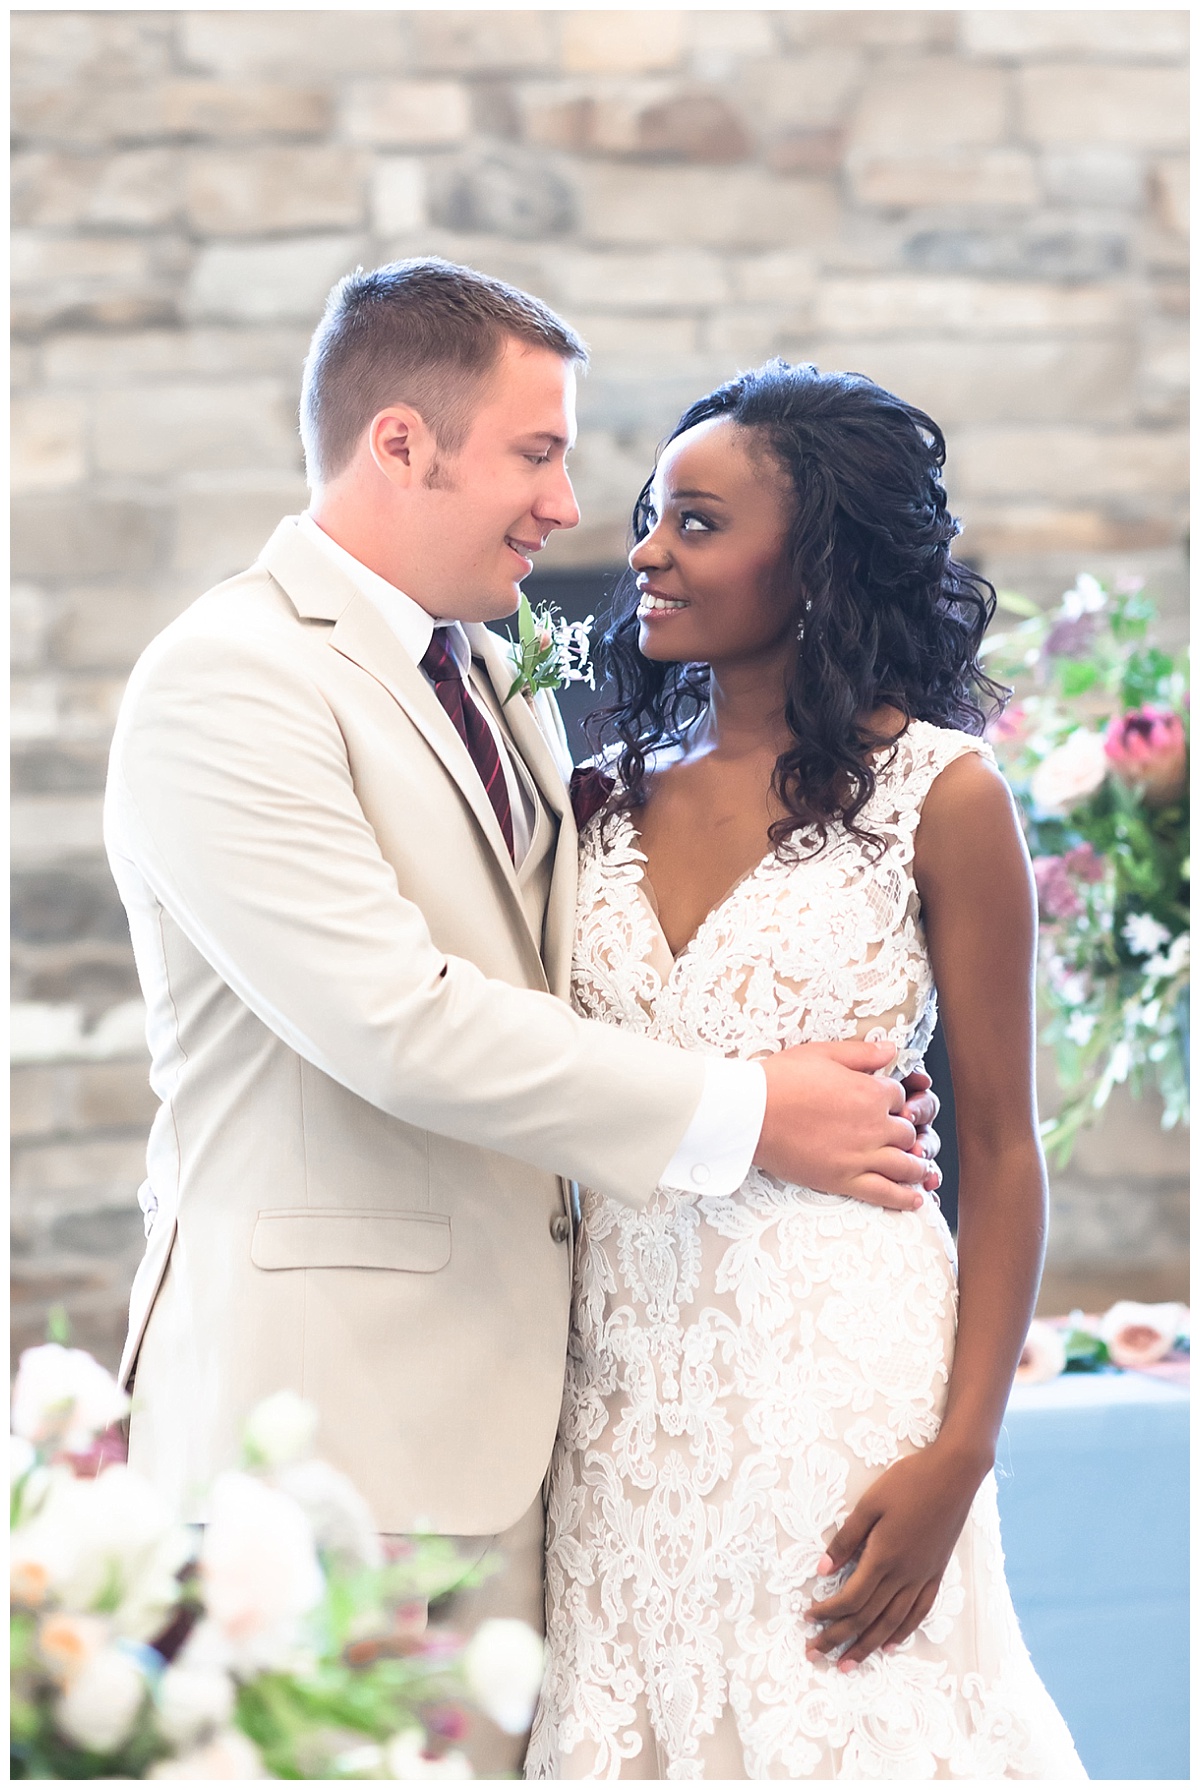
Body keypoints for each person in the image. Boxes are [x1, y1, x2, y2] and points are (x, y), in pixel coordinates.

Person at [103, 263, 940, 1776]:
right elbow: (397, 1022)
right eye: (537, 453)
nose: (571, 506)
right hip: (317, 1437)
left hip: (538, 1444)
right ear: (402, 444)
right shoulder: (227, 679)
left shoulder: (494, 668)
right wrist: (754, 1107)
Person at [527, 362, 1086, 1779]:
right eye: (651, 516)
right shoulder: (595, 797)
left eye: (698, 522)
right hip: (619, 1398)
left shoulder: (945, 797)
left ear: (819, 559)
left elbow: (1002, 1151)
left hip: (843, 1387)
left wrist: (962, 1453)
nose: (645, 550)